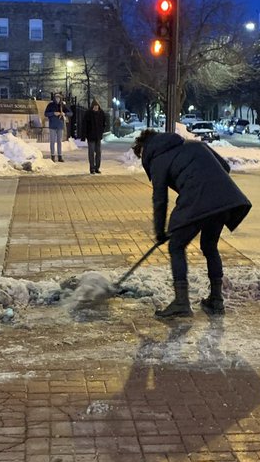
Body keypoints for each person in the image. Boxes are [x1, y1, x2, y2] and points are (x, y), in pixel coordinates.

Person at [133, 128, 251, 319]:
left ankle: (181, 303)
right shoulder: (196, 145)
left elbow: (160, 199)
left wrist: (160, 231)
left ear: (145, 149)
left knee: (176, 246)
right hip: (223, 198)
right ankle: (216, 299)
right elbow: (225, 167)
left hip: (199, 198)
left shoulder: (157, 159)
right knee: (209, 246)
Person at [44, 92, 69, 161]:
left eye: (59, 98)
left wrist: (64, 113)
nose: (57, 99)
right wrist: (53, 113)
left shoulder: (62, 105)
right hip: (52, 125)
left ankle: (60, 156)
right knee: (52, 141)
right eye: (56, 98)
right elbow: (46, 114)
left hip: (60, 125)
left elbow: (70, 113)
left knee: (59, 141)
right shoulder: (50, 105)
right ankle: (52, 156)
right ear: (54, 98)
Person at [84, 99, 106, 174]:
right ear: (92, 107)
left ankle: (97, 167)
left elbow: (104, 123)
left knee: (98, 152)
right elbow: (85, 125)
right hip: (90, 137)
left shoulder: (101, 113)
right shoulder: (88, 114)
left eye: (97, 106)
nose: (96, 108)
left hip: (98, 136)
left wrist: (101, 131)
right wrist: (84, 135)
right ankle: (92, 168)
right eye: (94, 106)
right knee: (91, 152)